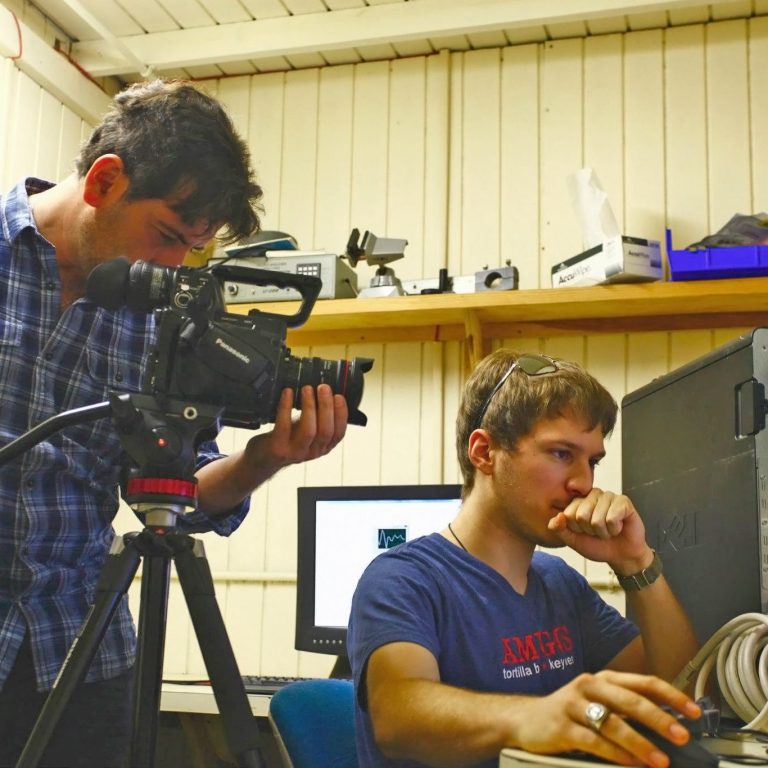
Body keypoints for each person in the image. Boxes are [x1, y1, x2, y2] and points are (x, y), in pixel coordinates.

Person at [0, 79, 349, 767]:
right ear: (105, 180)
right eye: (164, 235)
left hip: (74, 658)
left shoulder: (166, 315)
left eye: (191, 250)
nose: (170, 267)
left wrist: (262, 460)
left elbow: (174, 491)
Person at [348, 350, 701, 768]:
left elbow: (682, 690)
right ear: (484, 452)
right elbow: (398, 714)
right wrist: (535, 715)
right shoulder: (404, 579)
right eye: (560, 454)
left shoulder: (559, 583)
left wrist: (635, 561)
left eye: (592, 461)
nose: (584, 483)